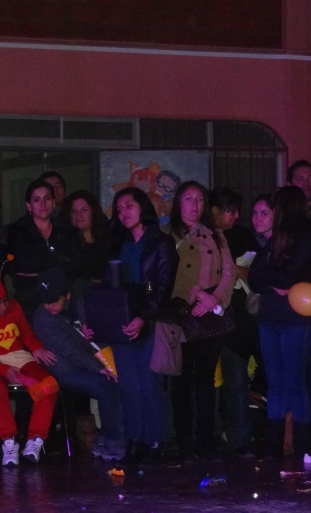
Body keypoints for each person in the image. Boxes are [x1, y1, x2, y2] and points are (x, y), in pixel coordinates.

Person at [106, 187, 178, 464]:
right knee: (128, 385)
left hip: (149, 320)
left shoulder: (161, 242)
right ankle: (134, 439)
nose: (123, 212)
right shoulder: (117, 243)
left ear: (142, 207)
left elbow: (162, 287)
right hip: (121, 321)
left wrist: (144, 316)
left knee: (149, 383)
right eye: (119, 208)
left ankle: (155, 440)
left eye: (129, 205)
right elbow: (108, 286)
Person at [165, 181, 235, 462]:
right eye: (188, 199)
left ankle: (206, 444)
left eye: (199, 200)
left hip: (208, 317)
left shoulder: (216, 234)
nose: (194, 205)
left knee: (206, 381)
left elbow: (229, 272)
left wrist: (214, 299)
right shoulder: (166, 234)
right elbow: (163, 274)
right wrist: (196, 294)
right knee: (181, 382)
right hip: (180, 314)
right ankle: (183, 445)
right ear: (178, 202)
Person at [30, 268, 126, 460]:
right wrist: (99, 368)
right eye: (46, 301)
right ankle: (114, 442)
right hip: (65, 368)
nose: (49, 306)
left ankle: (106, 439)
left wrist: (89, 329)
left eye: (54, 301)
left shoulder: (79, 302)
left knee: (120, 380)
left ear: (67, 294)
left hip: (90, 357)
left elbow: (97, 326)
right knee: (104, 385)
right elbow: (70, 350)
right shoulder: (42, 318)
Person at [249, 185, 311, 461]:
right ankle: (274, 448)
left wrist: (273, 279)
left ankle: (303, 447)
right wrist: (274, 282)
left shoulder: (306, 237)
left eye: (274, 206)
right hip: (270, 317)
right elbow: (254, 278)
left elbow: (289, 277)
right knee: (275, 383)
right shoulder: (273, 239)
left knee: (295, 383)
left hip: (296, 320)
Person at [0, 274, 58, 466]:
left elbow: (26, 334)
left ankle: (35, 439)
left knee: (48, 384)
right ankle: (8, 441)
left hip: (20, 356)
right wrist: (4, 369)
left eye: (5, 301)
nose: (3, 307)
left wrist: (37, 348)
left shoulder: (15, 307)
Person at [209, 187, 260, 457]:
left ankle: (240, 440)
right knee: (207, 384)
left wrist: (239, 271)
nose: (236, 216)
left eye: (237, 210)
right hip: (206, 321)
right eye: (231, 210)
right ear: (214, 211)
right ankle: (210, 439)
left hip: (238, 321)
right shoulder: (202, 236)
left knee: (236, 382)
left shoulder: (242, 236)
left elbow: (258, 276)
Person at [5, 179, 83, 318]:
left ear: (53, 202)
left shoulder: (65, 229)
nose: (42, 204)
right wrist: (57, 266)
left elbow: (76, 265)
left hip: (63, 297)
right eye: (36, 199)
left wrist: (42, 270)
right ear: (29, 205)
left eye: (47, 198)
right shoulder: (18, 230)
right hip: (30, 300)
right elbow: (22, 268)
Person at [65, 190, 108, 286]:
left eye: (84, 210)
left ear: (93, 212)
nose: (78, 215)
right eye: (74, 211)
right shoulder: (66, 242)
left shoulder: (108, 239)